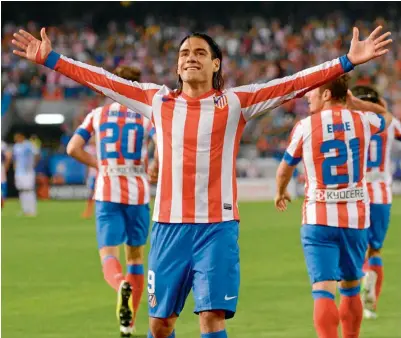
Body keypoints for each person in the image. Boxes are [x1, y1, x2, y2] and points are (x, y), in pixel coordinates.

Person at [11, 25, 392, 338]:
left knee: (212, 319)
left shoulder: (236, 103)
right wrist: (50, 59)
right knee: (161, 324)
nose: (190, 57)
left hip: (217, 228)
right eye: (183, 54)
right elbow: (102, 80)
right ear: (177, 68)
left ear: (215, 64)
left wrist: (345, 62)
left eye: (198, 53)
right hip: (168, 229)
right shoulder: (156, 101)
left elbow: (292, 83)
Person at [274, 75, 393, 338]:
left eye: (313, 91)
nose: (307, 96)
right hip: (355, 218)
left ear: (327, 94)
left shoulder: (305, 126)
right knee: (351, 287)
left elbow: (284, 169)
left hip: (318, 218)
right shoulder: (363, 120)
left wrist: (280, 192)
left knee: (323, 289)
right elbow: (387, 115)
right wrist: (357, 103)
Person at [66, 66, 157, 337]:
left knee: (108, 254)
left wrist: (99, 164)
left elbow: (72, 148)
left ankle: (120, 286)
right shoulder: (145, 116)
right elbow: (163, 144)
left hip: (108, 190)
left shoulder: (97, 114)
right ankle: (129, 323)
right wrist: (154, 163)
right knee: (136, 257)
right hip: (138, 190)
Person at [350, 85, 401, 319]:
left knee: (358, 248)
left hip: (357, 190)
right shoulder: (390, 123)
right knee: (376, 249)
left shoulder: (354, 122)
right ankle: (372, 306)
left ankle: (360, 286)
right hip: (382, 190)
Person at [12, 132, 40, 216]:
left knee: (29, 190)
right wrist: (15, 167)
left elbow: (36, 154)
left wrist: (33, 164)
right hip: (19, 171)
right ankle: (25, 210)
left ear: (22, 136)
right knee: (22, 190)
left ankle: (32, 210)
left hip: (28, 171)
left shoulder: (28, 145)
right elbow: (15, 158)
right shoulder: (16, 146)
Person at [81, 136, 97, 219]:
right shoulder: (88, 149)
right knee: (91, 193)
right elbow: (86, 164)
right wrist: (86, 175)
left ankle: (96, 211)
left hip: (100, 174)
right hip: (92, 174)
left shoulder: (101, 147)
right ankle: (88, 211)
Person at [1, 140, 12, 208]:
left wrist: (6, 167)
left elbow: (8, 156)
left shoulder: (2, 144)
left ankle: (2, 202)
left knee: (2, 184)